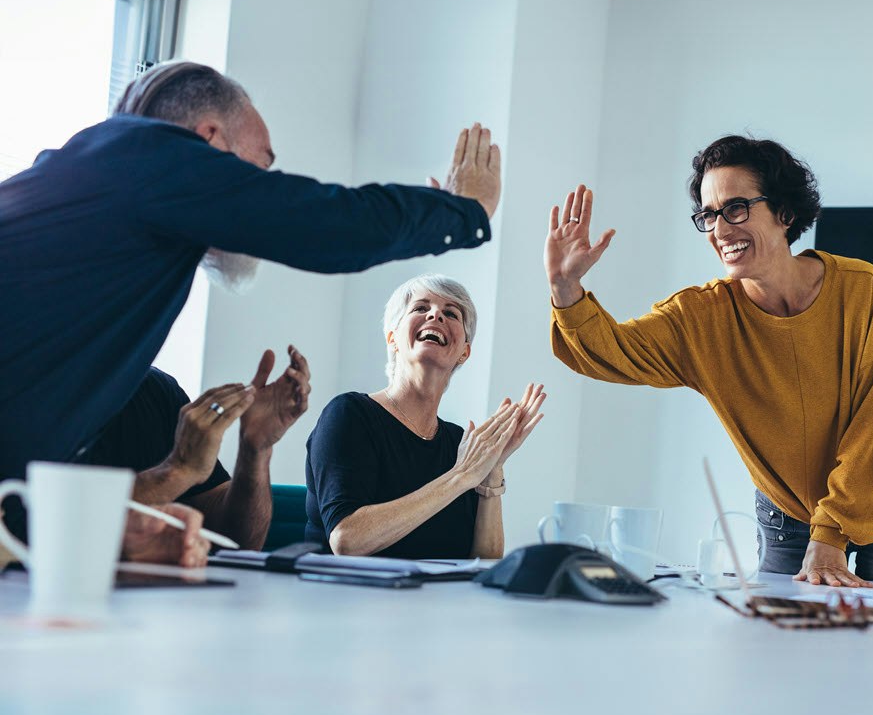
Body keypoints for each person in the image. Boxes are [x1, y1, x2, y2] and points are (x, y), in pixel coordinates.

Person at [0, 61, 501, 499]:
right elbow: (324, 222)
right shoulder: (152, 156)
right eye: (260, 170)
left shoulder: (95, 180)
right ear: (209, 140)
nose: (257, 190)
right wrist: (462, 210)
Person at [545, 136, 873, 587]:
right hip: (787, 513)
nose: (720, 229)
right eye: (708, 215)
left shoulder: (862, 288)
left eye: (735, 208)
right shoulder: (700, 318)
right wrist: (564, 286)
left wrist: (830, 533)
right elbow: (608, 350)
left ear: (785, 213)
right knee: (779, 643)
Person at [305, 275, 544, 560]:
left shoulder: (463, 445)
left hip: (434, 603)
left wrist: (491, 470)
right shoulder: (349, 414)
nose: (435, 315)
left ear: (464, 353)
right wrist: (461, 475)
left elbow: (485, 562)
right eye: (420, 308)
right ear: (392, 338)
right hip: (345, 600)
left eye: (451, 313)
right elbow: (347, 541)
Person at [80, 346, 311, 550]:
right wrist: (179, 470)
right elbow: (59, 525)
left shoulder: (152, 388)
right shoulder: (47, 392)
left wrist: (256, 450)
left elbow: (238, 542)